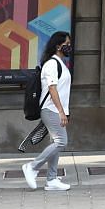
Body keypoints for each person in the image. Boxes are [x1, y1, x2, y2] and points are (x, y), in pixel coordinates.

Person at [21, 31, 72, 192]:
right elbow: (52, 88)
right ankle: (32, 166)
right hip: (51, 109)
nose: (69, 47)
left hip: (56, 110)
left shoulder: (60, 63)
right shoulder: (52, 64)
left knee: (55, 143)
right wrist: (61, 112)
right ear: (58, 46)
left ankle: (51, 179)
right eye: (67, 44)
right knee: (61, 142)